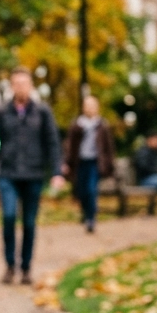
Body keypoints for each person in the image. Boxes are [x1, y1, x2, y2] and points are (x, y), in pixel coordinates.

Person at [0, 69, 64, 283]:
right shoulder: (2, 112)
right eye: (16, 83)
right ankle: (9, 266)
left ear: (31, 86)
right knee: (7, 218)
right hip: (8, 174)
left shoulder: (43, 112)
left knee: (29, 223)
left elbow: (53, 143)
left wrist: (57, 172)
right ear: (11, 86)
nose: (20, 87)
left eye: (24, 83)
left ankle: (25, 268)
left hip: (34, 174)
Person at [63, 94, 116, 233]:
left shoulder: (102, 125)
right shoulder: (77, 124)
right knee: (81, 191)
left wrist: (110, 164)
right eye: (87, 105)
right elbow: (69, 145)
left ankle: (91, 218)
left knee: (91, 190)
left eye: (92, 105)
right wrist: (67, 162)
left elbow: (108, 147)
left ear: (97, 108)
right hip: (80, 162)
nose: (90, 108)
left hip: (94, 162)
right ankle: (86, 213)